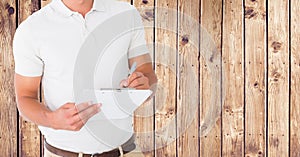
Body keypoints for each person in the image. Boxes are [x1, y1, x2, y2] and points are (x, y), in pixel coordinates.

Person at [13, 0, 157, 156]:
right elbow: (24, 97)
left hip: (125, 151)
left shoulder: (126, 14)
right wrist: (52, 120)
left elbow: (148, 75)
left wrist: (145, 84)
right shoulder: (32, 29)